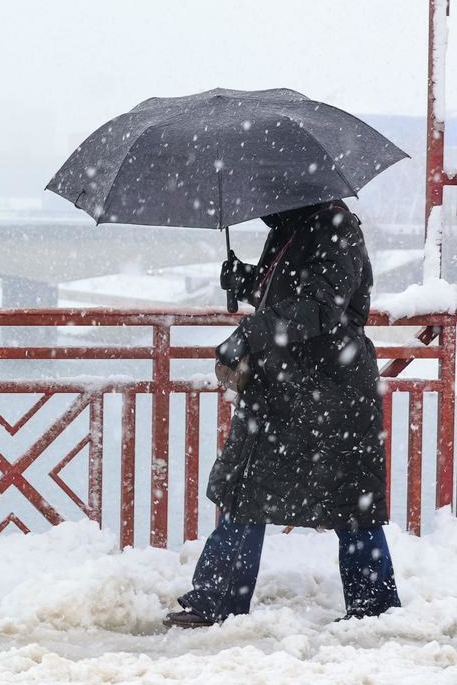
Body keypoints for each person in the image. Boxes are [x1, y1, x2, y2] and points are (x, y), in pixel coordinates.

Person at [166, 200, 400, 628]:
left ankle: (375, 610)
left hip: (331, 392)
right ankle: (215, 601)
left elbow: (321, 308)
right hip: (284, 388)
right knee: (244, 489)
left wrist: (249, 331)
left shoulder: (337, 227)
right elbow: (290, 295)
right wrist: (249, 280)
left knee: (351, 501)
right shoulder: (295, 225)